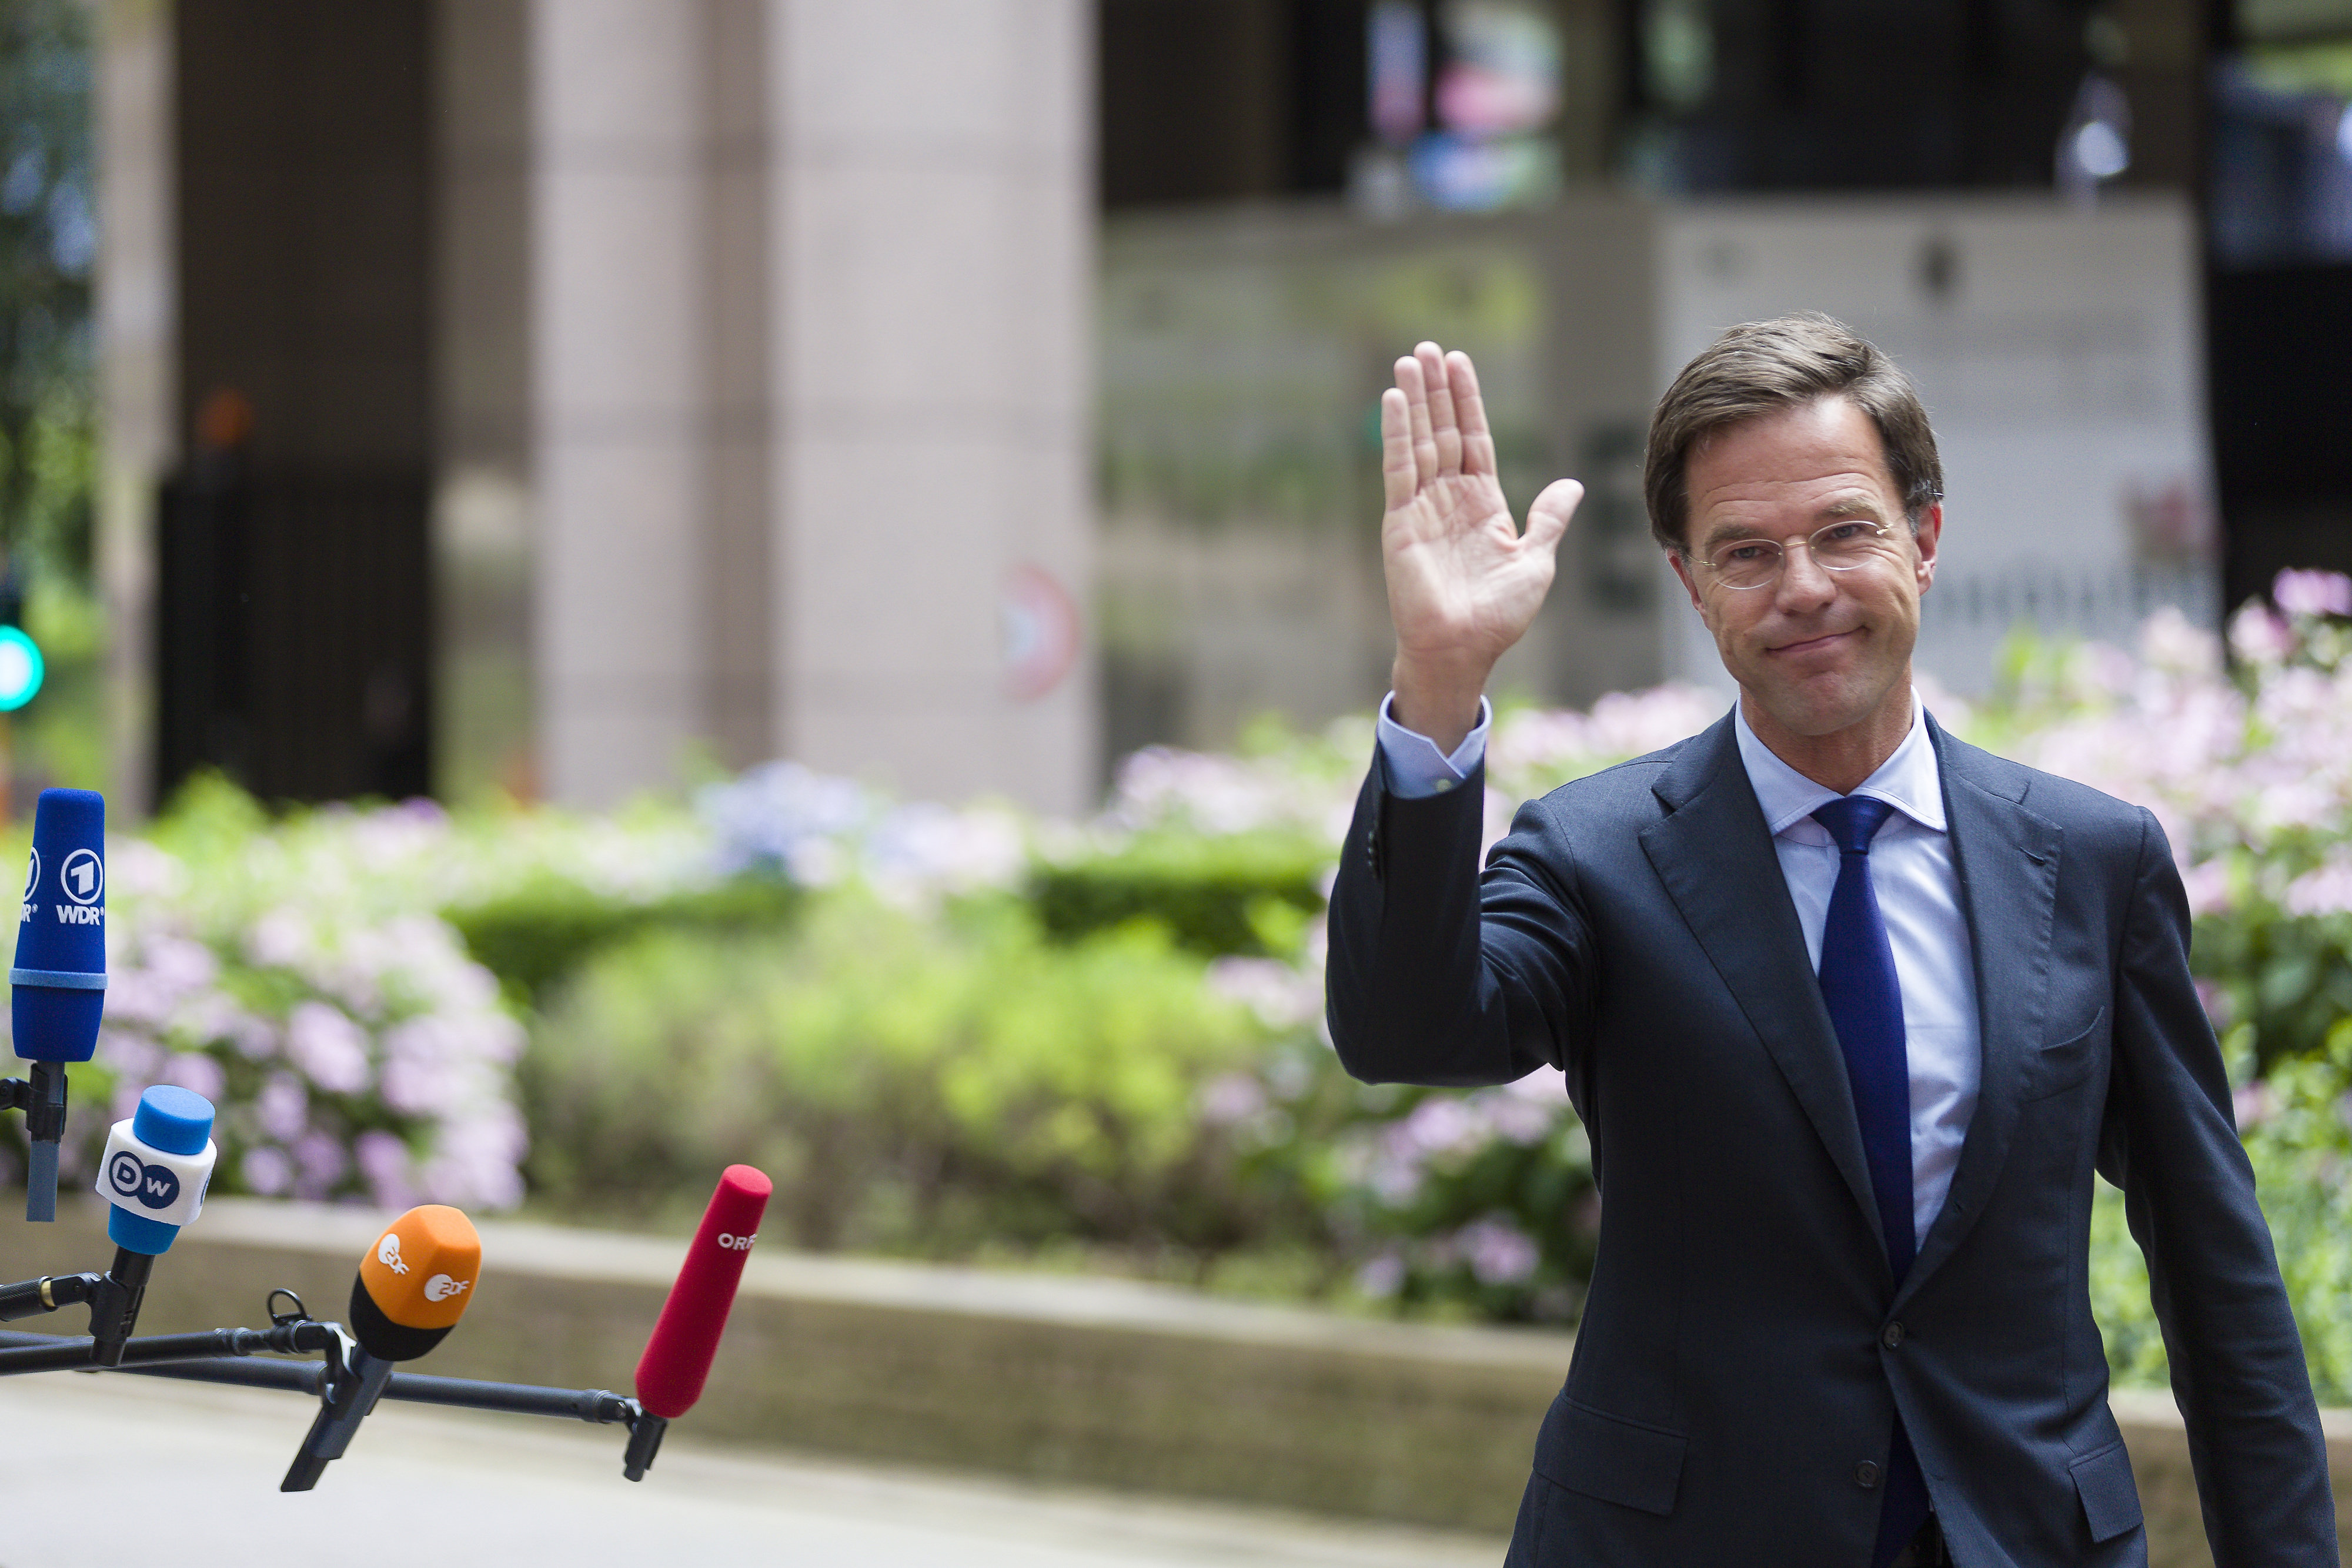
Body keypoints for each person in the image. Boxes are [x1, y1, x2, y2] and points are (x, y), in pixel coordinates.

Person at [1323, 313, 2337, 1567]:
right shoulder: (1596, 855)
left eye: (1844, 530)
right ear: (1691, 586)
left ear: (1922, 538)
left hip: (2020, 1536)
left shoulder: (2090, 859)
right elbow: (1403, 1030)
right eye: (1743, 551)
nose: (1800, 584)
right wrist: (1437, 677)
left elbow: (2212, 1262)